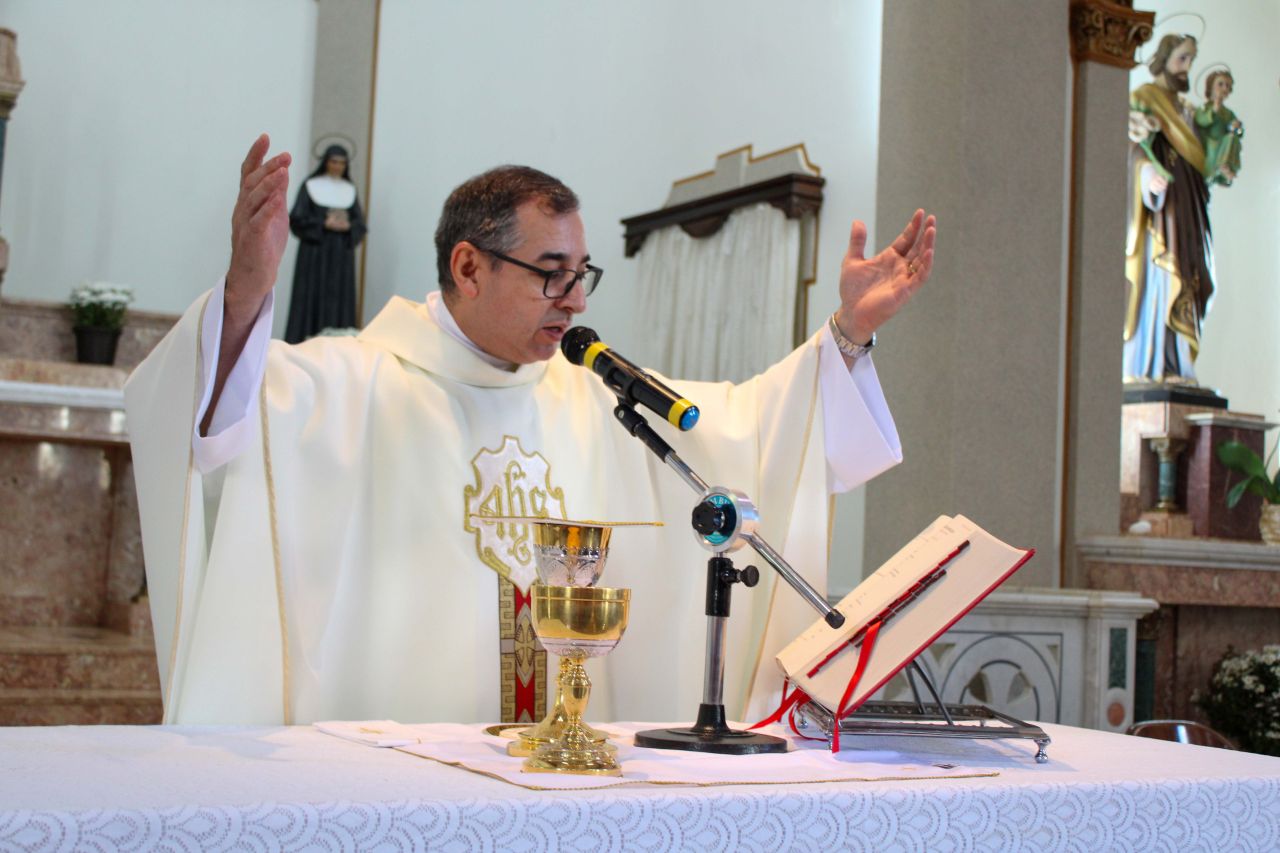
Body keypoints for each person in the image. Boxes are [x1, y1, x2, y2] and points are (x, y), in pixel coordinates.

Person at [125, 134, 935, 726]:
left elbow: (753, 427)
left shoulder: (596, 399)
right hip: (399, 792)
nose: (575, 300)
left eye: (582, 275)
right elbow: (216, 422)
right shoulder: (351, 385)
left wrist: (847, 337)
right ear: (468, 267)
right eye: (551, 275)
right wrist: (244, 294)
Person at [1123, 34, 1214, 384]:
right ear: (1163, 59)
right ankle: (1152, 363)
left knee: (1192, 276)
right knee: (1163, 277)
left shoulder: (1188, 111)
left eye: (1191, 60)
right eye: (1182, 58)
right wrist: (1147, 175)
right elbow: (1131, 148)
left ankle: (1179, 363)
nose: (1187, 67)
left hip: (1190, 209)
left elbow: (1201, 159)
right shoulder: (1143, 99)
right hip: (1163, 213)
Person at [284, 144, 367, 343]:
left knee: (339, 297)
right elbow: (297, 219)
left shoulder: (350, 189)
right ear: (326, 162)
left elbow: (360, 224)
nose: (337, 166)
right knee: (311, 295)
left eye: (342, 163)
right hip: (314, 254)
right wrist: (323, 223)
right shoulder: (310, 186)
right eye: (334, 162)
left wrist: (348, 226)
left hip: (341, 256)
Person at [1195, 69, 1243, 188]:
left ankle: (1226, 169)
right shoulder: (1204, 108)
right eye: (1220, 84)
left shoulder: (1228, 113)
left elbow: (1239, 132)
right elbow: (1200, 121)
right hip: (1211, 145)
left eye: (1228, 86)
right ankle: (1221, 168)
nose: (1224, 88)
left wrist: (1237, 127)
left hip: (1225, 144)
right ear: (1211, 87)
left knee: (1232, 139)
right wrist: (1214, 110)